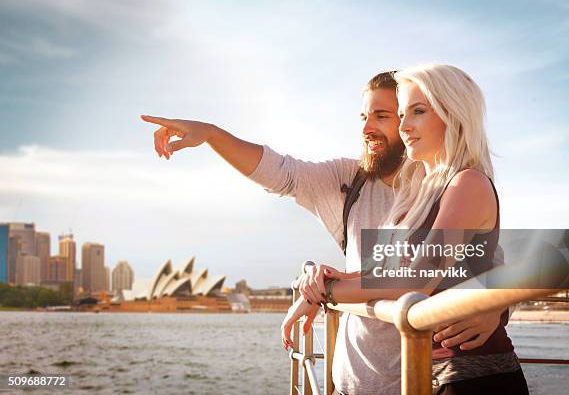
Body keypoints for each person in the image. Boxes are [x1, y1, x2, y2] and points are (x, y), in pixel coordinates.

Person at [140, 71, 506, 394]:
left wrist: (496, 307)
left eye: (385, 115)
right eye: (364, 117)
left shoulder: (448, 183)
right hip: (358, 379)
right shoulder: (355, 182)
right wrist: (212, 135)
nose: (367, 129)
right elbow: (281, 172)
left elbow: (481, 260)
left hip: (428, 378)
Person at [285, 64, 528, 394]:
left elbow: (416, 281)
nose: (404, 126)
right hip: (432, 373)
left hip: (473, 377)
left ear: (453, 113)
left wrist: (327, 294)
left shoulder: (467, 183)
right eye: (401, 114)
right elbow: (398, 272)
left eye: (417, 112)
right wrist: (329, 279)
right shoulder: (423, 191)